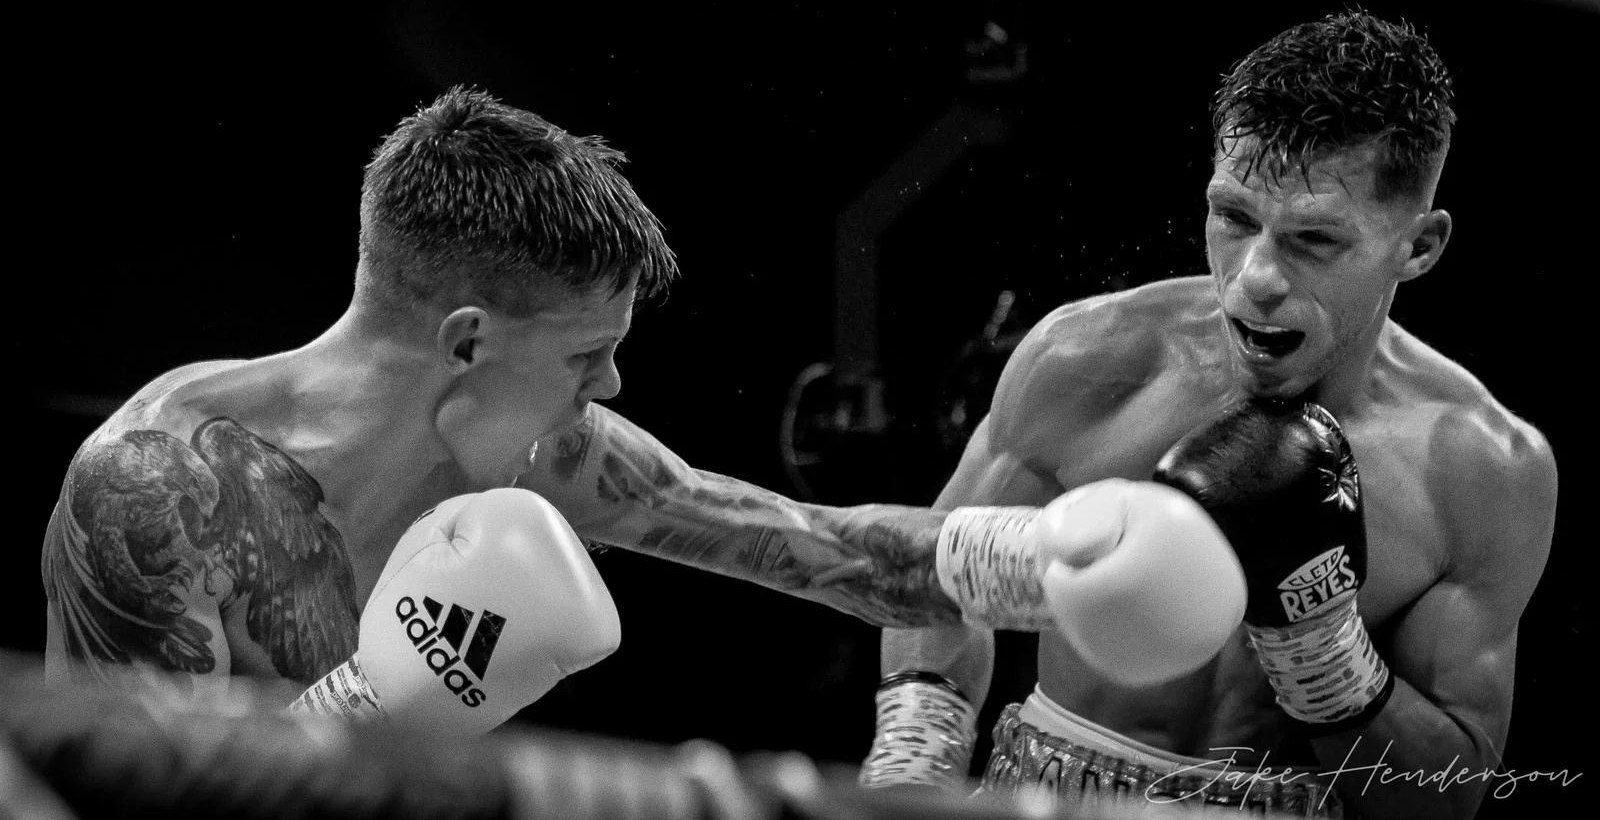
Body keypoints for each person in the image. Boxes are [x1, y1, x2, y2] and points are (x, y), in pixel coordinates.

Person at [41, 85, 1248, 732]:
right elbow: (112, 797)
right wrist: (365, 703)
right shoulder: (160, 489)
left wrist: (1058, 560)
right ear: (466, 340)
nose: (609, 387)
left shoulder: (542, 454)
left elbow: (826, 552)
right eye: (586, 354)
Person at [863, 10, 1558, 819]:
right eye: (1233, 217)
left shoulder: (1481, 468)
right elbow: (938, 583)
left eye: (1313, 240)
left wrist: (1321, 647)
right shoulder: (1091, 359)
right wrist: (915, 759)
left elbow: (1446, 797)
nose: (1254, 279)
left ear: (1420, 247)